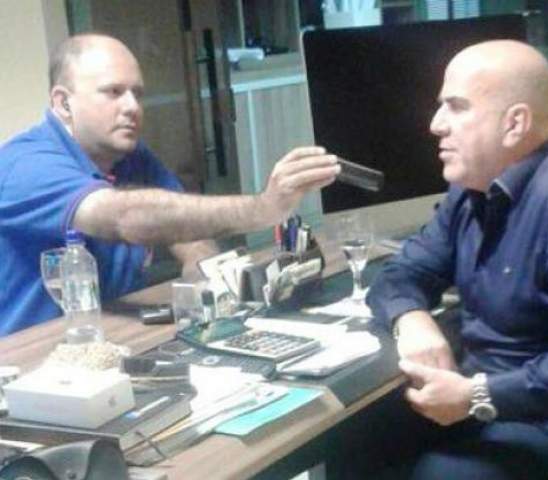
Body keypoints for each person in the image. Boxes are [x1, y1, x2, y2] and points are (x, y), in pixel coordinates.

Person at [366, 40, 548, 479]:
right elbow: (403, 271)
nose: (436, 124)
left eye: (456, 107)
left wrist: (478, 396)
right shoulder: (473, 191)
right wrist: (411, 318)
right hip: (488, 402)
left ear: (515, 123)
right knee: (355, 441)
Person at [0, 33, 340, 337]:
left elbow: (186, 232)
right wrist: (263, 208)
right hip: (31, 358)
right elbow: (123, 217)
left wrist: (202, 271)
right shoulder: (25, 165)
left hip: (117, 339)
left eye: (137, 94)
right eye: (113, 92)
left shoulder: (132, 156)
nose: (132, 107)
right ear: (63, 103)